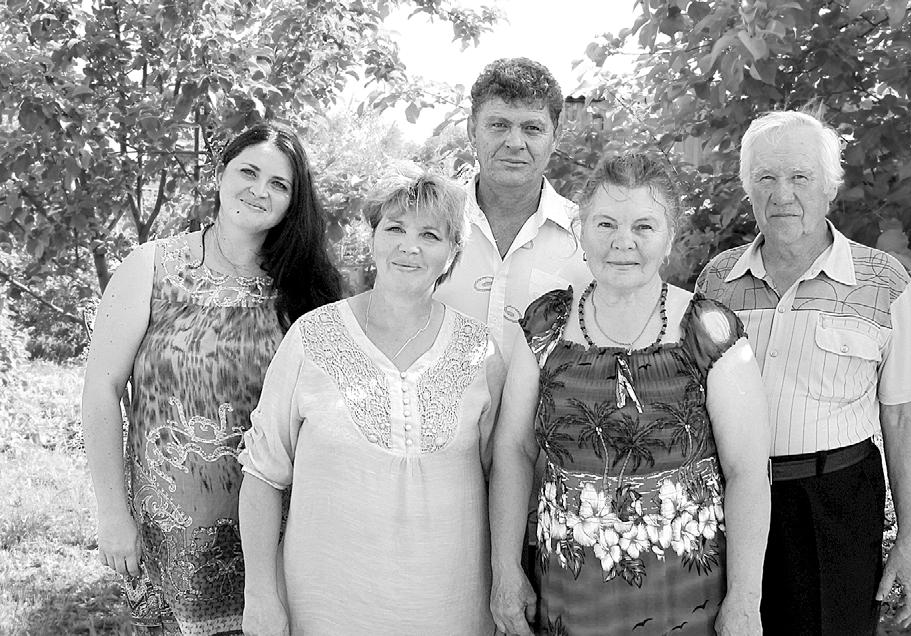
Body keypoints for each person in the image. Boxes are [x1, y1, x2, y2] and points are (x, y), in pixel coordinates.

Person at [490, 153, 771, 636]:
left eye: (644, 226)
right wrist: (505, 570)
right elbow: (514, 449)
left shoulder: (710, 330)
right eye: (605, 224)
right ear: (580, 232)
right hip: (568, 601)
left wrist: (746, 599)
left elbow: (747, 472)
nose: (624, 241)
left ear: (669, 238)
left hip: (687, 602)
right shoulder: (545, 325)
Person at [81, 122, 344, 634]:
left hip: (280, 535)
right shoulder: (152, 268)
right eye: (249, 172)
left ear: (293, 202)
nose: (260, 190)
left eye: (279, 184)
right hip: (169, 536)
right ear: (220, 174)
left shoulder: (307, 290)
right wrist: (112, 513)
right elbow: (101, 391)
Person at [695, 110, 911, 635]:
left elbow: (903, 416)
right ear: (748, 189)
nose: (782, 194)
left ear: (829, 187)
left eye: (800, 177)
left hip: (834, 507)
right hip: (727, 504)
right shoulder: (716, 282)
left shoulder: (883, 281)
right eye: (765, 177)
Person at [238, 165, 505, 635]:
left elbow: (496, 474)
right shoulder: (312, 337)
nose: (409, 246)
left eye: (430, 235)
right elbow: (263, 474)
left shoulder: (479, 352)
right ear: (374, 237)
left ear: (453, 253)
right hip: (325, 607)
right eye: (395, 228)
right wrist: (260, 595)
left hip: (450, 607)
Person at [435, 56, 592, 363]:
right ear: (472, 130)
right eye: (499, 125)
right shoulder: (428, 224)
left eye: (532, 128)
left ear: (556, 136)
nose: (515, 142)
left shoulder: (588, 238)